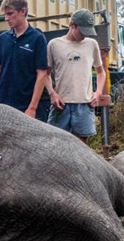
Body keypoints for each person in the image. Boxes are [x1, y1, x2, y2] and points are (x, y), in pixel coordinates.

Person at [0, 0, 50, 120]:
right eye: (5, 14)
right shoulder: (4, 38)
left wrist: (32, 108)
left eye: (10, 14)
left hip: (24, 106)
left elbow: (42, 74)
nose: (6, 18)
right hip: (2, 104)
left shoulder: (37, 38)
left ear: (23, 11)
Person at [45, 9, 106, 143]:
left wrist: (98, 92)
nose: (84, 35)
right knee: (56, 143)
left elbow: (101, 72)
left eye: (87, 32)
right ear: (72, 25)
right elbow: (46, 74)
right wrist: (52, 94)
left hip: (85, 103)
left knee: (82, 144)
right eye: (82, 31)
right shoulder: (54, 44)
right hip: (61, 104)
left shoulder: (92, 44)